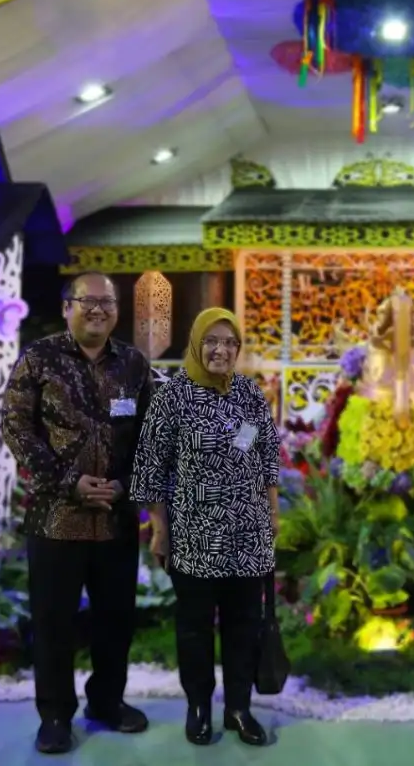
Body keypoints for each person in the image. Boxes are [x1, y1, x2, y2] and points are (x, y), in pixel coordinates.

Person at [0, 271, 154, 755]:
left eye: (107, 302)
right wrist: (69, 481)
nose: (98, 309)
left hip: (115, 519)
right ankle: (55, 716)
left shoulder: (133, 363)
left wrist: (127, 485)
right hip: (55, 519)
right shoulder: (39, 358)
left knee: (116, 620)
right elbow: (16, 426)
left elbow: (151, 434)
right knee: (54, 624)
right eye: (88, 301)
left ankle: (106, 702)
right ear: (67, 307)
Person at [130, 308, 280, 748]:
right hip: (194, 534)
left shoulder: (249, 394)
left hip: (247, 532)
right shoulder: (174, 396)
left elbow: (267, 456)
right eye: (212, 341)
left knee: (244, 623)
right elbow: (151, 466)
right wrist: (159, 528)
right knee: (195, 626)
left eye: (230, 342)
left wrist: (272, 513)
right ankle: (198, 707)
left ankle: (239, 708)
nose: (221, 350)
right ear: (196, 344)